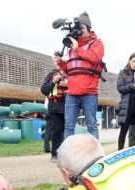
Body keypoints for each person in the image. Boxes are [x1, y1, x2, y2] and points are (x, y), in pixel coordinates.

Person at [55, 11, 104, 140]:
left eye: (81, 27)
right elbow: (71, 70)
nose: (79, 31)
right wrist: (60, 62)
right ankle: (68, 156)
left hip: (89, 92)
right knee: (69, 126)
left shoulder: (97, 44)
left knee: (92, 126)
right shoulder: (72, 48)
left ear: (88, 28)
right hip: (72, 93)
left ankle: (95, 156)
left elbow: (94, 58)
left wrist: (77, 49)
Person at [41, 55, 67, 162]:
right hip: (55, 107)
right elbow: (44, 90)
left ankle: (66, 153)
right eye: (56, 60)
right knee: (57, 131)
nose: (58, 62)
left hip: (69, 106)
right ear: (53, 62)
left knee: (68, 131)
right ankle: (54, 153)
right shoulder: (50, 75)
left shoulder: (69, 74)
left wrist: (68, 84)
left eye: (60, 60)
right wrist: (53, 82)